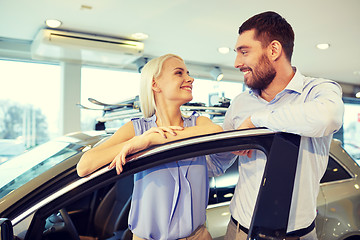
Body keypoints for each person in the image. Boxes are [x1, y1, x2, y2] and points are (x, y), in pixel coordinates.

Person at [219, 11, 344, 240]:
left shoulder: (317, 91)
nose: (237, 63)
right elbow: (218, 161)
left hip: (299, 235)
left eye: (244, 52)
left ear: (274, 50)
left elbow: (329, 117)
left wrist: (256, 120)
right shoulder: (240, 104)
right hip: (238, 232)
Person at [77, 53, 223, 240]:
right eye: (179, 73)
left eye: (188, 73)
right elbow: (85, 165)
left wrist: (152, 141)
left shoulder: (200, 123)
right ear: (155, 84)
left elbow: (216, 132)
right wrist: (134, 143)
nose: (190, 78)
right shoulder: (137, 129)